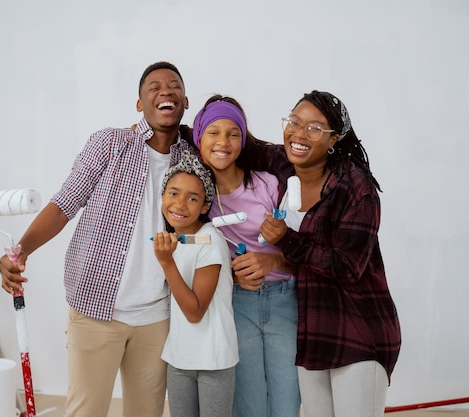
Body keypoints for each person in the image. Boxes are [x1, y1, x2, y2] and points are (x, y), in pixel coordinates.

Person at [0, 61, 194, 417]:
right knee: (85, 412)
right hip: (97, 308)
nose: (165, 90)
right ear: (140, 104)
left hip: (158, 315)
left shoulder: (193, 157)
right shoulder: (110, 143)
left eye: (174, 85)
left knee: (146, 413)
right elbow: (64, 203)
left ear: (185, 100)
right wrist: (21, 250)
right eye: (153, 87)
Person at [259, 90, 401, 417]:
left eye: (314, 128)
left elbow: (348, 266)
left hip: (359, 334)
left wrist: (286, 240)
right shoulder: (285, 163)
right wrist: (181, 129)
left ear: (333, 139)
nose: (299, 133)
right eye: (294, 121)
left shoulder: (355, 186)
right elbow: (242, 144)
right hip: (312, 337)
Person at [191, 95, 301, 417]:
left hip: (285, 300)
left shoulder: (267, 185)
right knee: (248, 404)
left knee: (286, 402)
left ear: (243, 139)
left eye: (233, 133)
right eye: (213, 132)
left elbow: (305, 248)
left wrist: (275, 259)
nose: (223, 141)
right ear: (199, 138)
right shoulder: (199, 200)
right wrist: (231, 273)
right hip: (237, 303)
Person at [153, 151, 239, 417]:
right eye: (174, 193)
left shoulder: (210, 240)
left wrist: (167, 263)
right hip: (179, 358)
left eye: (192, 198)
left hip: (213, 358)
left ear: (204, 206)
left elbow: (194, 311)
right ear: (163, 196)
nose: (180, 204)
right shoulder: (172, 240)